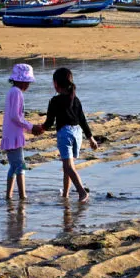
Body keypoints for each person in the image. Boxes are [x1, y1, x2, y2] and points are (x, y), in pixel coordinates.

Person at [41, 67, 98, 203]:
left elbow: (49, 123)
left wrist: (37, 129)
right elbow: (82, 120)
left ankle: (82, 191)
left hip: (65, 134)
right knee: (68, 166)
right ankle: (65, 194)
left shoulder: (54, 101)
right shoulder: (76, 99)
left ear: (56, 83)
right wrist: (91, 138)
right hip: (77, 133)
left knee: (67, 166)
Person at [1, 63, 40, 200]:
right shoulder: (16, 92)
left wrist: (29, 128)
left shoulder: (12, 92)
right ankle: (22, 196)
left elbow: (15, 117)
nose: (28, 85)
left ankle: (9, 196)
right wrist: (31, 127)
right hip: (13, 135)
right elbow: (15, 116)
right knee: (20, 166)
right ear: (19, 80)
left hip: (11, 133)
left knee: (14, 166)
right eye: (26, 82)